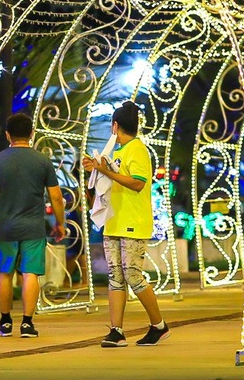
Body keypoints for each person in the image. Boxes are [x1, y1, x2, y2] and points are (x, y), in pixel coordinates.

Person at [81, 100, 170, 347]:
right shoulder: (117, 152)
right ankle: (117, 331)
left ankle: (159, 326)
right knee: (115, 276)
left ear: (115, 125)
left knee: (132, 275)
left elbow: (138, 183)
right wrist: (95, 170)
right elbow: (108, 182)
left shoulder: (137, 149)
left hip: (133, 222)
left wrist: (106, 171)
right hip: (114, 222)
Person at [0, 112, 66, 338]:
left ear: (8, 135)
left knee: (5, 273)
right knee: (30, 274)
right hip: (33, 228)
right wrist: (60, 223)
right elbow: (56, 198)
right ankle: (27, 324)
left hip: (5, 228)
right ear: (31, 134)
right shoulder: (42, 161)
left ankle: (5, 322)